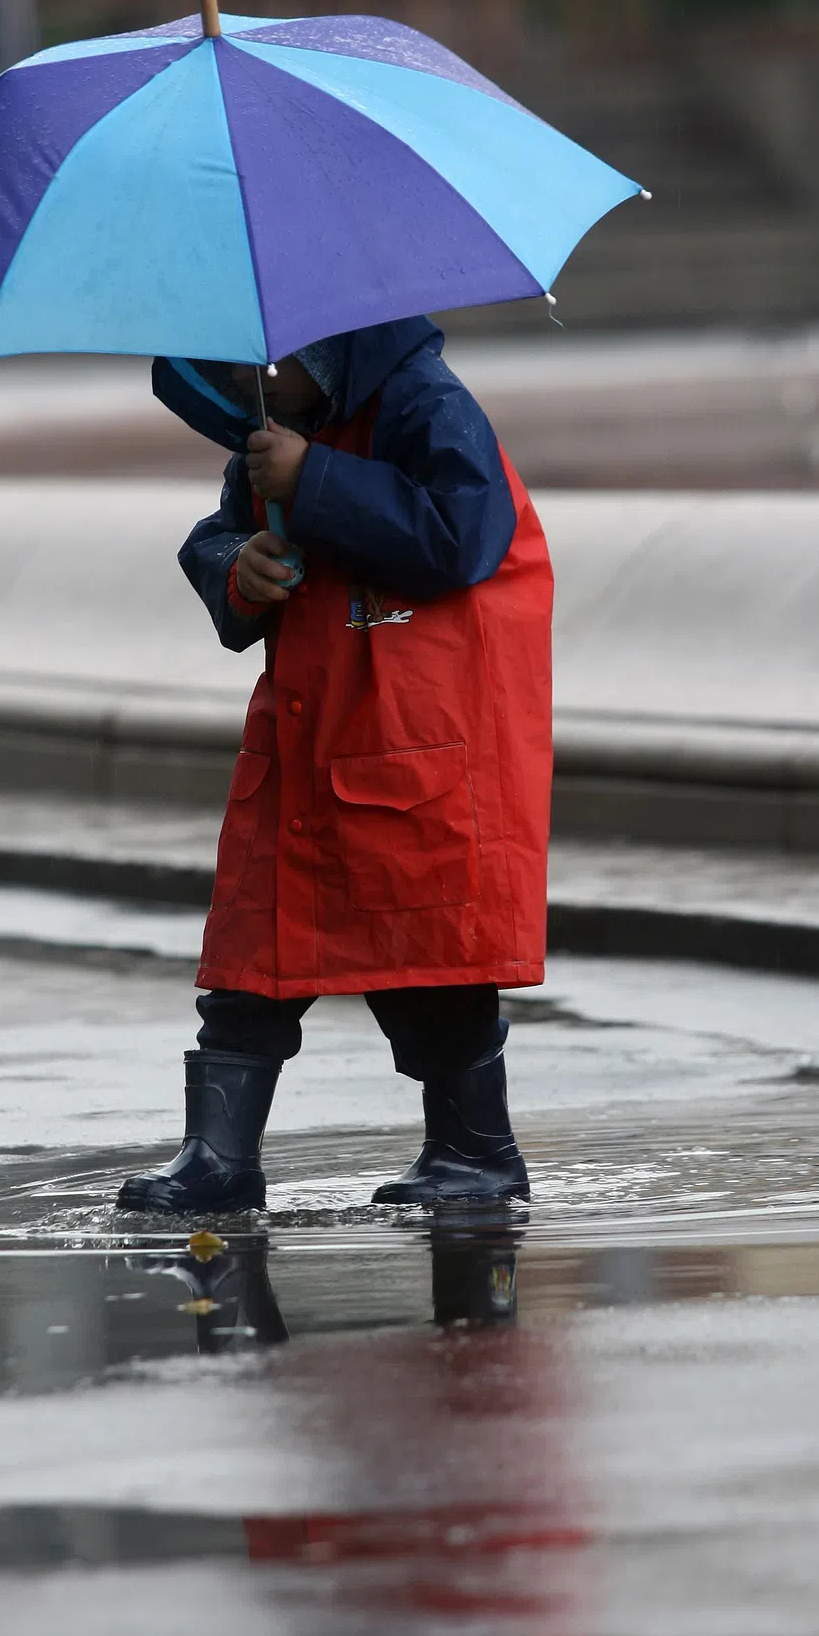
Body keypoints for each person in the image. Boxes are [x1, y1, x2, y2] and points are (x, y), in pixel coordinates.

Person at [118, 321, 553, 1216]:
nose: (243, 385)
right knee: (250, 958)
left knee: (429, 960)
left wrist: (313, 481)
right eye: (225, 367)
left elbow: (458, 536)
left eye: (253, 363)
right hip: (305, 741)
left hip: (409, 742)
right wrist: (241, 567)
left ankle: (474, 1151)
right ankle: (219, 1156)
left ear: (317, 350)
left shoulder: (428, 405)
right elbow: (217, 541)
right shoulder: (269, 436)